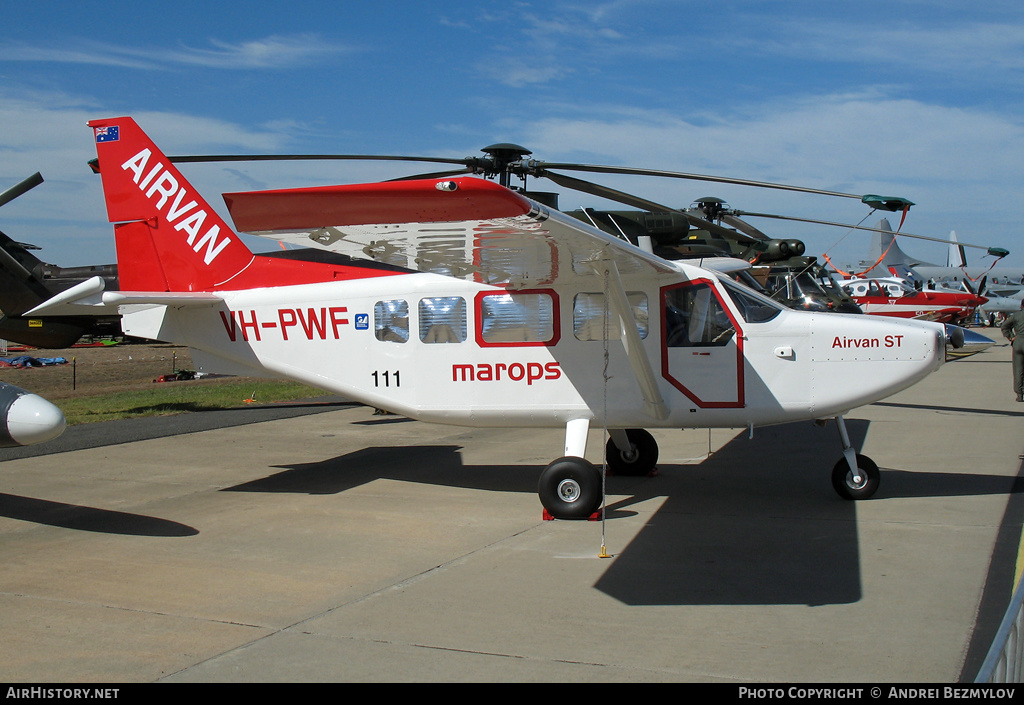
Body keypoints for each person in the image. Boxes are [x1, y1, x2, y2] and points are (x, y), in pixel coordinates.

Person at [1001, 300, 1024, 402]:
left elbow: (1004, 326)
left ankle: (1019, 394)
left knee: (1018, 369)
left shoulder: (1015, 316)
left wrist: (1011, 337)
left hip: (1018, 343)